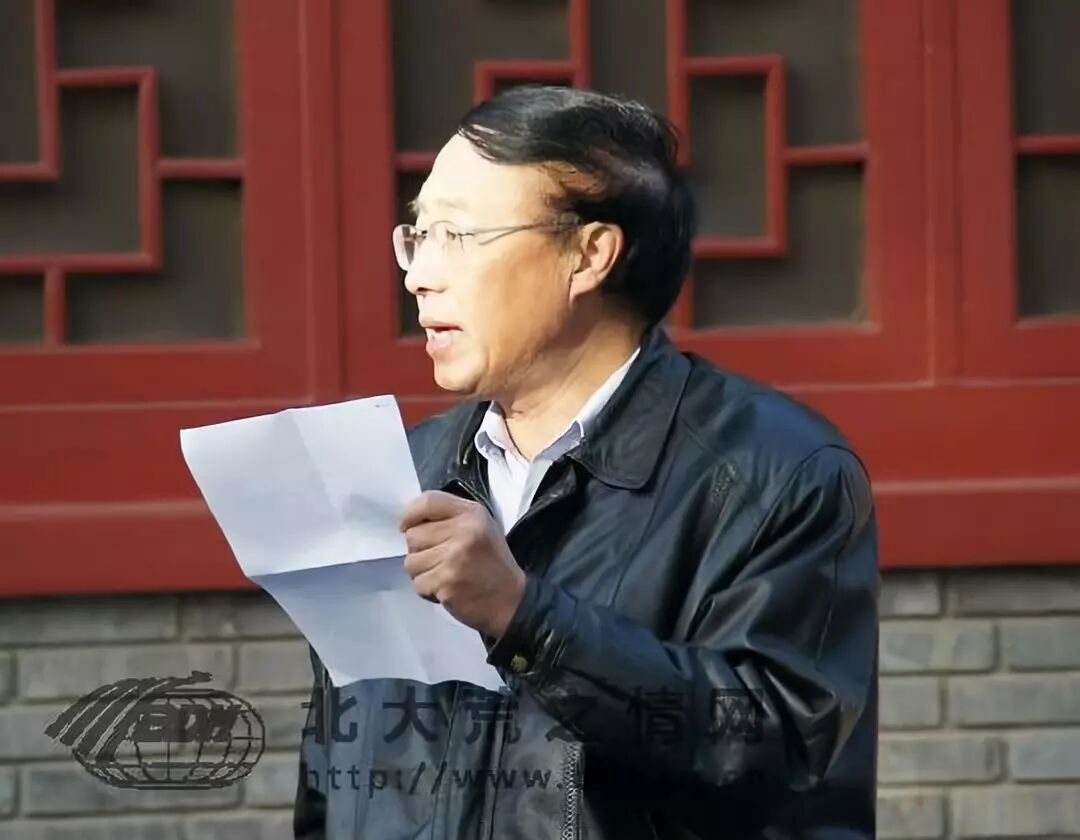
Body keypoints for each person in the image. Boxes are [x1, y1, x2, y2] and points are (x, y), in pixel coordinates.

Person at [294, 85, 878, 839]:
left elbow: (781, 746)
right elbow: (334, 774)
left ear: (589, 254)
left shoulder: (778, 475)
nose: (419, 274)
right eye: (418, 234)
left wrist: (525, 618)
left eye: (457, 235)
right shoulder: (404, 470)